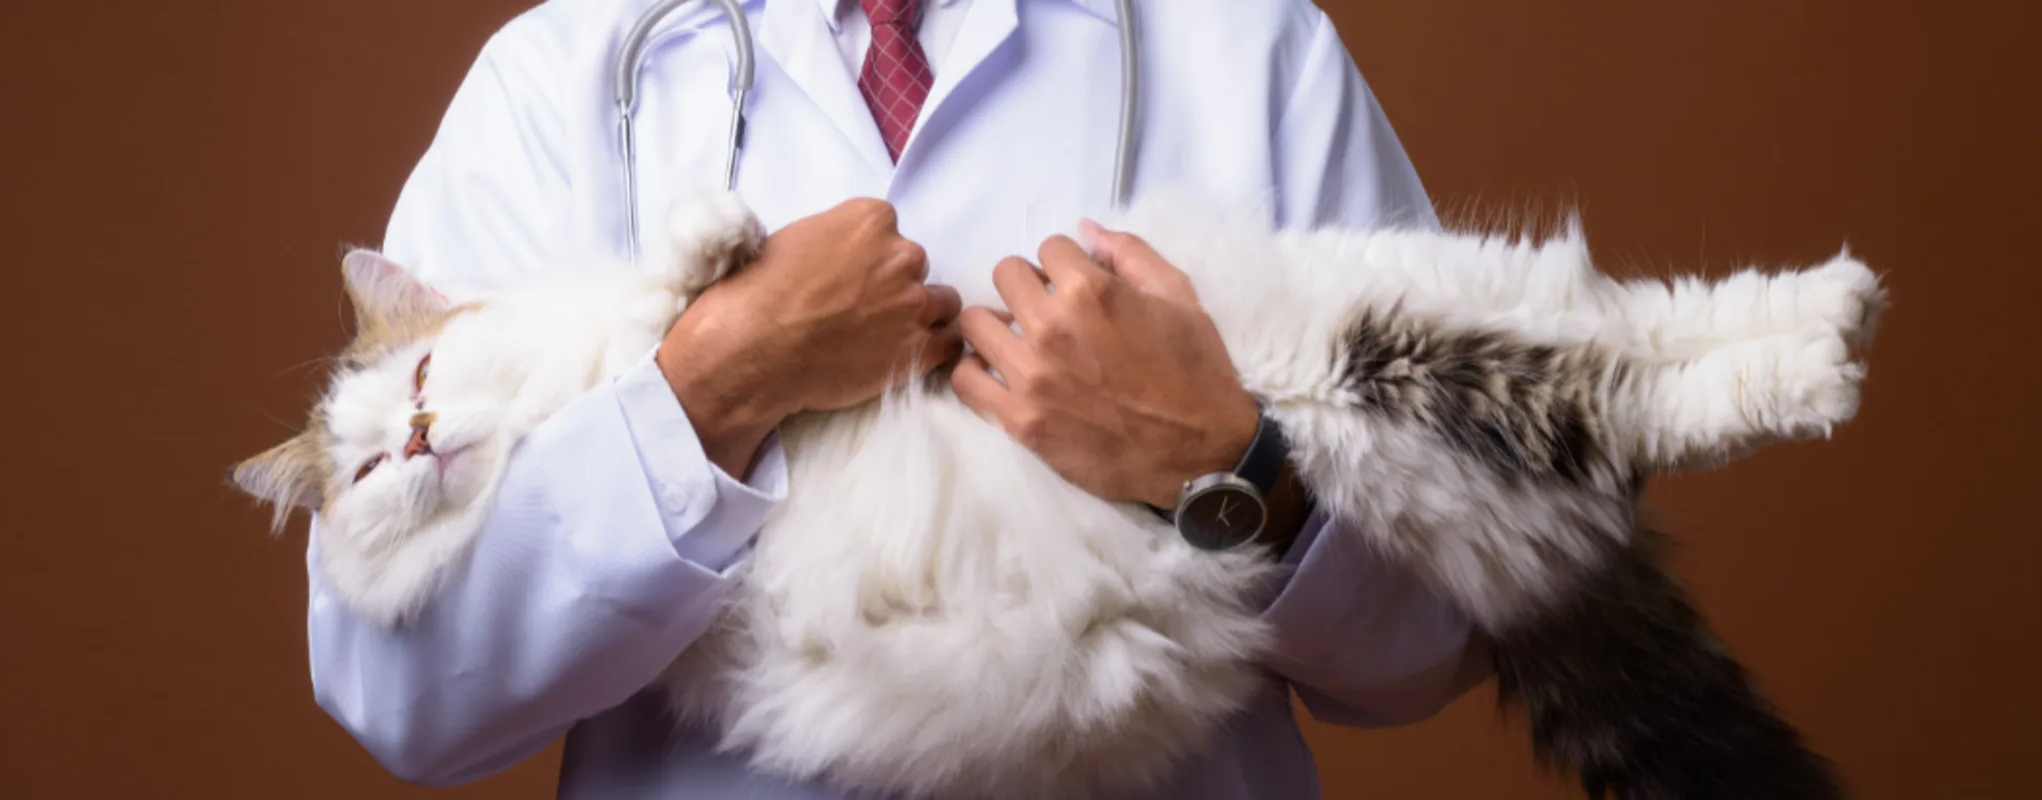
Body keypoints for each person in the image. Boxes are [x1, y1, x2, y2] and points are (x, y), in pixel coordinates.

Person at [307, 0, 1485, 796]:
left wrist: (1229, 472)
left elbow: (1445, 632)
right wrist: (712, 388)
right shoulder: (559, 80)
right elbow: (398, 685)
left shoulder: (1251, 48)